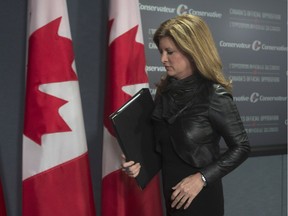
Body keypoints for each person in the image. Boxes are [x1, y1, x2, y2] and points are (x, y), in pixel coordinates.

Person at [122, 14, 250, 216]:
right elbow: (163, 148)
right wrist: (139, 165)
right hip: (172, 195)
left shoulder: (214, 95)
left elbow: (242, 146)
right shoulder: (164, 93)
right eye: (161, 51)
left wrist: (202, 178)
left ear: (192, 51)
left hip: (201, 196)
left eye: (170, 52)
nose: (163, 59)